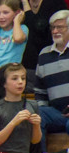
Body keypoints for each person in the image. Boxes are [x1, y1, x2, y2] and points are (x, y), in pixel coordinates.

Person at [32, 10, 69, 141]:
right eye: (53, 27)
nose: (55, 31)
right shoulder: (44, 54)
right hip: (57, 114)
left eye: (60, 27)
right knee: (37, 115)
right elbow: (39, 90)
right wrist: (43, 107)